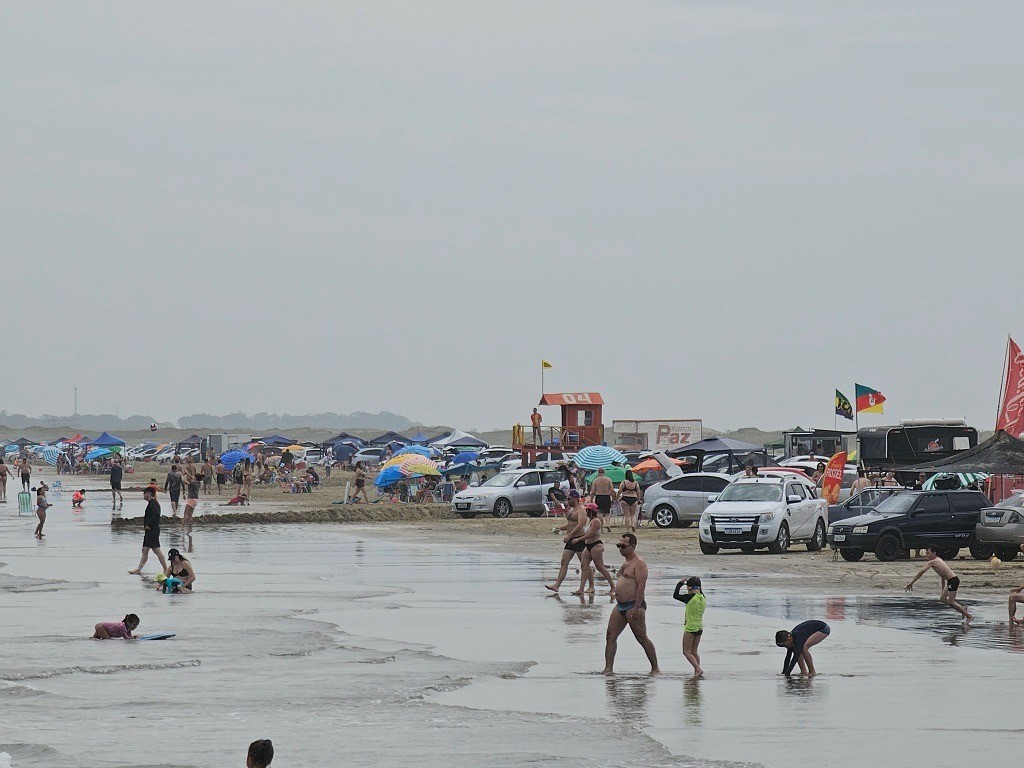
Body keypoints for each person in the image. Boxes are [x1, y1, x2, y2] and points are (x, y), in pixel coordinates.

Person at [604, 533, 659, 675]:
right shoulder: (625, 563)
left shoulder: (639, 563)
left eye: (623, 546)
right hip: (620, 606)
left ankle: (655, 668)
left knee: (641, 637)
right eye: (618, 545)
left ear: (632, 546)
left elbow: (641, 586)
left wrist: (637, 607)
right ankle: (608, 669)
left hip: (634, 605)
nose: (620, 548)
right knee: (610, 636)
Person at [905, 546, 973, 623]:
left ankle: (969, 616)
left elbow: (921, 572)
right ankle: (962, 608)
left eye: (928, 553)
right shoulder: (938, 560)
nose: (927, 555)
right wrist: (943, 588)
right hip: (950, 581)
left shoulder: (933, 561)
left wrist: (911, 582)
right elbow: (943, 575)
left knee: (951, 601)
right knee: (942, 599)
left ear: (934, 553)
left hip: (953, 581)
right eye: (926, 553)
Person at [545, 492, 592, 592]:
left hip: (579, 539)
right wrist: (560, 528)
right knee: (564, 562)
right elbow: (570, 524)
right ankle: (557, 585)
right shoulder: (571, 509)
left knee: (584, 564)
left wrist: (570, 535)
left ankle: (591, 586)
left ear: (575, 499)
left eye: (569, 499)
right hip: (571, 540)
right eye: (567, 499)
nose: (568, 501)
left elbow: (580, 524)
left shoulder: (581, 510)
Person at [573, 504, 616, 596]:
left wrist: (579, 539)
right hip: (588, 546)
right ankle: (581, 589)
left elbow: (591, 534)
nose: (585, 512)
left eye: (587, 510)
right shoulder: (591, 521)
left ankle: (613, 586)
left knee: (600, 567)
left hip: (596, 545)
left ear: (591, 511)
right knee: (584, 566)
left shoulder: (596, 521)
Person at [673, 576, 706, 677]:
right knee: (694, 651)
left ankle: (698, 669)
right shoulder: (703, 597)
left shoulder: (690, 598)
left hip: (690, 627)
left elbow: (675, 595)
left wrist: (680, 584)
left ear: (689, 588)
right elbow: (699, 590)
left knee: (686, 651)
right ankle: (698, 670)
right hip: (700, 627)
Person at [129, 488, 168, 574]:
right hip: (149, 531)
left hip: (152, 531)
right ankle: (139, 569)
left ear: (149, 494)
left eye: (145, 493)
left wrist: (148, 525)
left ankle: (166, 569)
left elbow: (156, 514)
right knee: (145, 550)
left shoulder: (153, 503)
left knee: (156, 550)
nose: (143, 495)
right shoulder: (151, 503)